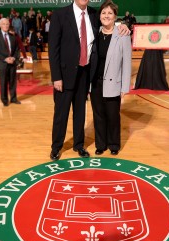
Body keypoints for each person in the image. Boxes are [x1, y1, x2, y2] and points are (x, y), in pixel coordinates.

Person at [48, 0, 129, 161]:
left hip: (85, 74)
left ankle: (79, 145)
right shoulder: (60, 15)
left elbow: (109, 21)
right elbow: (53, 48)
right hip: (64, 76)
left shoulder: (93, 14)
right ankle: (56, 147)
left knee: (80, 114)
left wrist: (123, 24)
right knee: (61, 115)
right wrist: (56, 76)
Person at [90, 0, 131, 156]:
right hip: (95, 83)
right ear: (99, 16)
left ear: (115, 16)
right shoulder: (95, 33)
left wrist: (124, 87)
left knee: (113, 116)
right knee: (98, 115)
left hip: (114, 84)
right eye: (103, 12)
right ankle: (101, 144)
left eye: (110, 13)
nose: (106, 16)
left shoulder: (122, 35)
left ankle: (114, 144)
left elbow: (127, 62)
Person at [0, 18, 20, 106]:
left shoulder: (13, 36)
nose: (6, 26)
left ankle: (13, 98)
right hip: (2, 63)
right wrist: (5, 59)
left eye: (7, 24)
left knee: (13, 82)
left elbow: (16, 49)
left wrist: (14, 58)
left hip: (12, 62)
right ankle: (4, 100)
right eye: (3, 24)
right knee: (3, 82)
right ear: (0, 25)